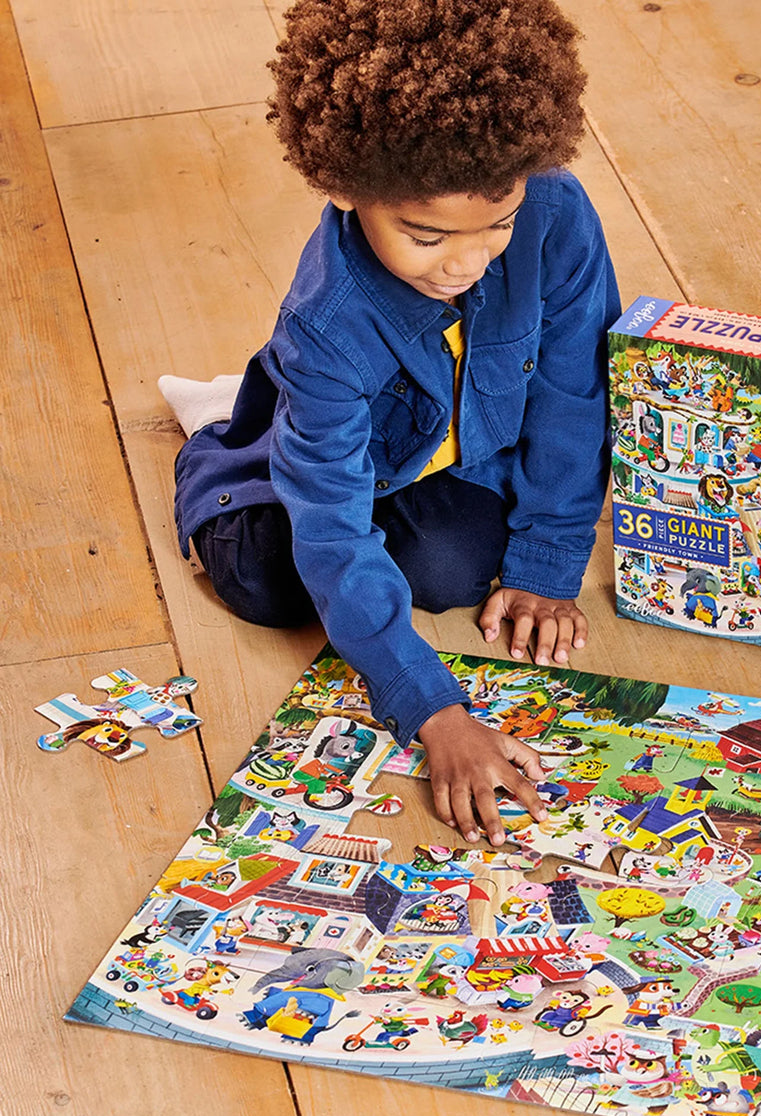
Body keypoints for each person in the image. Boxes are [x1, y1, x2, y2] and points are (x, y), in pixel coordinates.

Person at [165, 0, 619, 848]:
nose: (468, 259)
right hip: (331, 463)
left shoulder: (555, 212)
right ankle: (219, 437)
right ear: (345, 188)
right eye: (425, 234)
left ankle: (284, 424)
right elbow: (332, 527)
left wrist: (552, 558)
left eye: (498, 223)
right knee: (266, 583)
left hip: (445, 448)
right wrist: (434, 710)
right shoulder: (327, 324)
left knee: (450, 576)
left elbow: (573, 394)